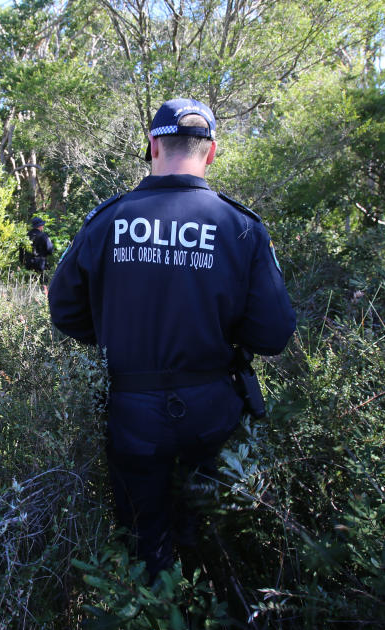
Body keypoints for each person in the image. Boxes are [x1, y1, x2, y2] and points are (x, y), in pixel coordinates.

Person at [48, 98, 296, 581]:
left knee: (145, 544)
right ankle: (215, 611)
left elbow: (65, 311)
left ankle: (157, 625)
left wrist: (120, 331)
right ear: (212, 151)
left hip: (131, 409)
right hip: (212, 410)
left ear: (152, 145)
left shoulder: (107, 220)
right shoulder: (240, 227)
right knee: (211, 537)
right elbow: (273, 333)